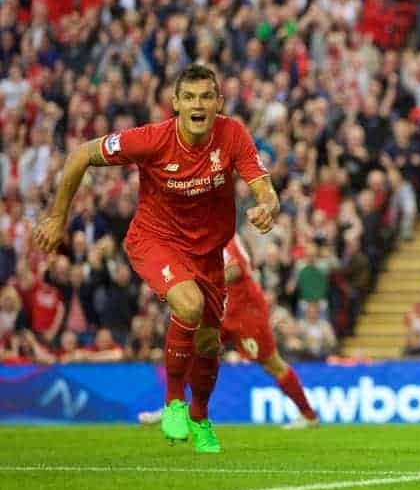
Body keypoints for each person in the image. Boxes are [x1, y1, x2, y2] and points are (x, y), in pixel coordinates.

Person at [33, 64, 279, 454]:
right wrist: (57, 217)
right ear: (176, 103)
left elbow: (263, 187)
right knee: (189, 303)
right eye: (191, 97)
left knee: (210, 343)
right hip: (155, 240)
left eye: (206, 97)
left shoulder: (232, 134)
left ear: (218, 102)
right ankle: (173, 403)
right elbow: (81, 155)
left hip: (208, 252)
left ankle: (199, 417)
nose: (198, 104)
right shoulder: (151, 140)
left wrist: (267, 205)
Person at [138, 234, 319, 429]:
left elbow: (235, 269)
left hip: (245, 312)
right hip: (219, 311)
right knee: (190, 354)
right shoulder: (199, 238)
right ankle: (174, 408)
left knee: (271, 363)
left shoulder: (223, 234)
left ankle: (308, 415)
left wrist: (204, 282)